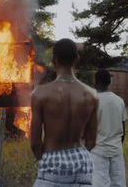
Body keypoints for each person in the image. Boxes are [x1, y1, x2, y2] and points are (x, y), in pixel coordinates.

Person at [30, 38, 99, 186]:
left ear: (54, 60)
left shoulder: (40, 93)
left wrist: (46, 161)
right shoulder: (91, 94)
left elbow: (35, 143)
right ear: (77, 59)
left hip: (52, 158)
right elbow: (92, 140)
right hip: (82, 160)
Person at [91, 70, 127, 187]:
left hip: (98, 151)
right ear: (109, 82)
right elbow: (123, 129)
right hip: (116, 150)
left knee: (99, 184)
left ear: (95, 82)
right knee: (118, 183)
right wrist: (117, 144)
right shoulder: (119, 101)